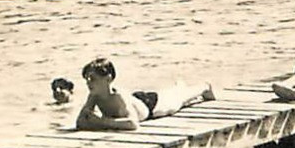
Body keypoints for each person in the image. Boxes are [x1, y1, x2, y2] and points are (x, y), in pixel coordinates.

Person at [75, 58, 215, 130]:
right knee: (175, 94)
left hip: (152, 107)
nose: (88, 83)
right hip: (137, 99)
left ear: (108, 79)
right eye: (86, 79)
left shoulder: (118, 97)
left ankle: (204, 87)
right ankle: (179, 87)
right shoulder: (94, 96)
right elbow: (80, 123)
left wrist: (101, 122)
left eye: (93, 79)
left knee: (179, 101)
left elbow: (133, 124)